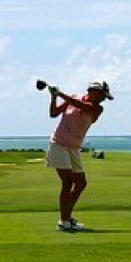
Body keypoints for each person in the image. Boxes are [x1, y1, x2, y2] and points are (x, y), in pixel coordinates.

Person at [45, 79, 113, 231]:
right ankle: (64, 221)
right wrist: (54, 97)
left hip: (74, 147)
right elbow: (53, 113)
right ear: (93, 91)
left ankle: (66, 218)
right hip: (58, 143)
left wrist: (61, 93)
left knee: (81, 183)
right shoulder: (73, 98)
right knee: (68, 182)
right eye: (102, 94)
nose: (103, 99)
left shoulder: (97, 109)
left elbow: (80, 105)